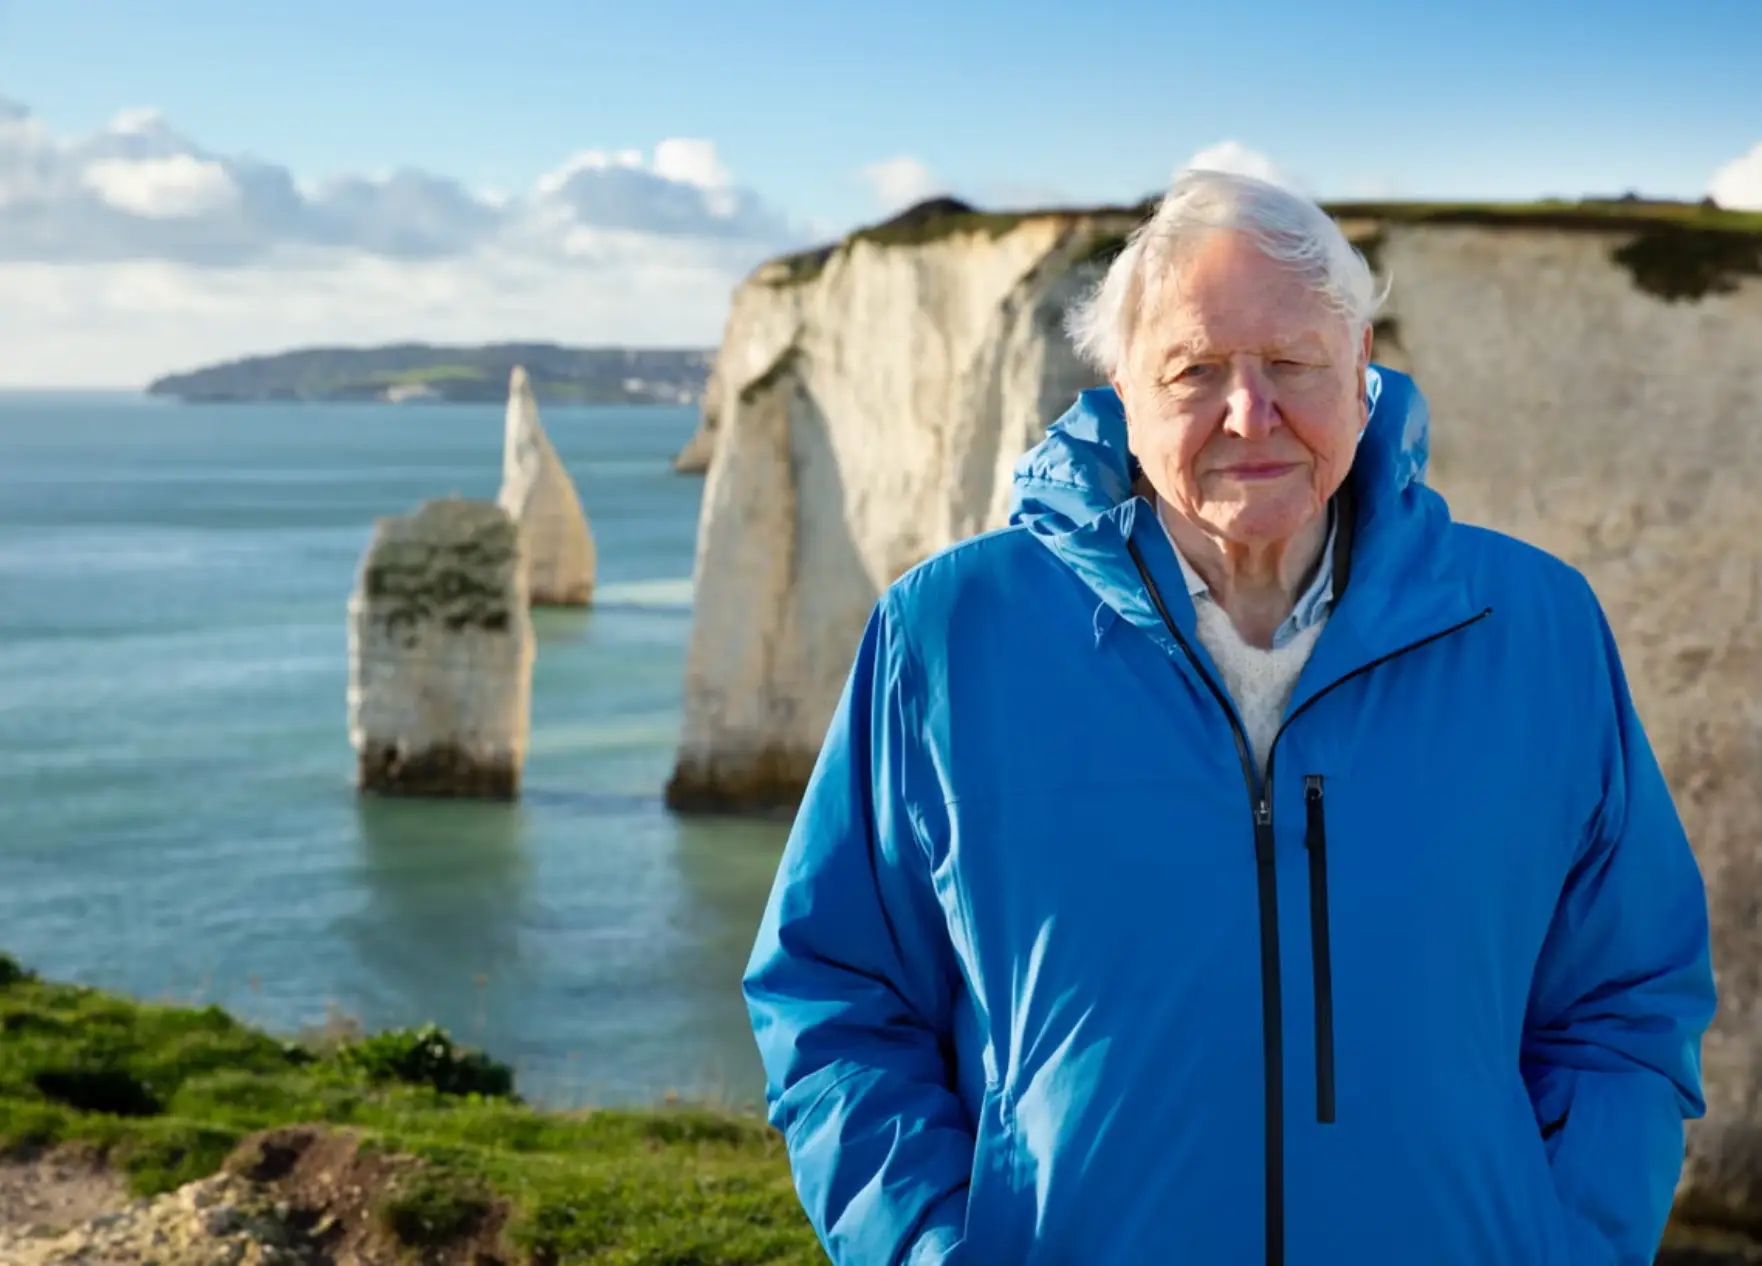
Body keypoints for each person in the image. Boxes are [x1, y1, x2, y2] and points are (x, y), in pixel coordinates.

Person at [740, 168, 1717, 1265]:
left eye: (1292, 364)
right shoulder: (948, 633)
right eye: (1195, 369)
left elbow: (1625, 1000)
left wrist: (1567, 1248)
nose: (1249, 413)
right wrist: (926, 1251)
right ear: (1122, 385)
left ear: (1362, 373)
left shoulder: (1534, 628)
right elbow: (833, 999)